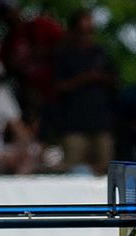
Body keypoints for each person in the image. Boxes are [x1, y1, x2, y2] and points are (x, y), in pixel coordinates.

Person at [53, 10, 116, 174]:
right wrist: (83, 79)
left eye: (90, 31)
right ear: (73, 30)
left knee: (104, 172)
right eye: (82, 31)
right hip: (74, 125)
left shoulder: (101, 52)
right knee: (73, 171)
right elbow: (58, 87)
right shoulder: (64, 55)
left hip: (100, 122)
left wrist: (100, 78)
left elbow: (115, 80)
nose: (86, 35)